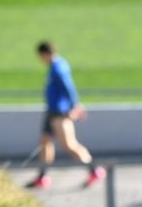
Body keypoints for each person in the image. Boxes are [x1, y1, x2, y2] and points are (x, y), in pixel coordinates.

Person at [26, 41, 105, 189]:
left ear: (44, 54)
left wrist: (75, 105)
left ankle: (94, 170)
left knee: (69, 144)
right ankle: (43, 176)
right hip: (51, 111)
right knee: (45, 142)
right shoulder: (54, 66)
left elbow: (68, 86)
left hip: (60, 112)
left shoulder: (58, 67)